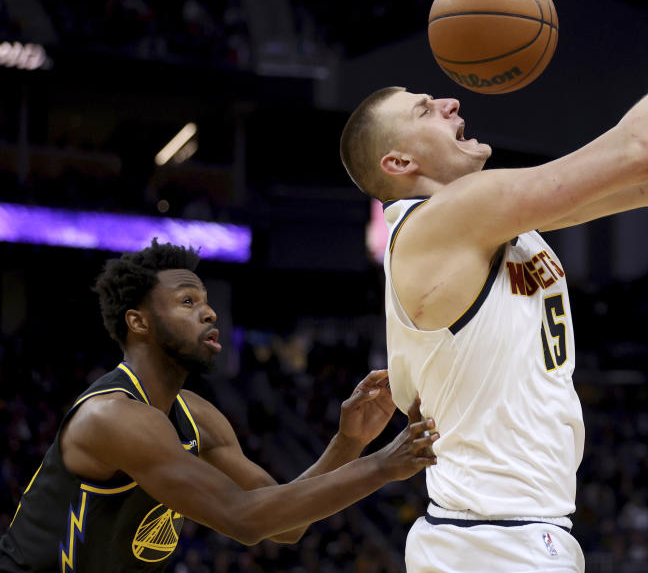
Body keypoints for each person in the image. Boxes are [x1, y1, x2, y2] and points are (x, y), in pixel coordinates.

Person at [340, 0, 648, 572]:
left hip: (508, 536)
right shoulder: (442, 220)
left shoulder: (477, 224)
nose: (451, 101)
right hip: (489, 542)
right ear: (399, 160)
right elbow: (638, 149)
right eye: (426, 109)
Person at [0, 239, 439, 572]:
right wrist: (384, 465)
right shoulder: (112, 417)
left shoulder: (197, 415)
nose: (209, 313)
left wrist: (348, 443)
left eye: (207, 302)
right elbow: (243, 519)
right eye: (188, 302)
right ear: (139, 322)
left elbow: (282, 524)